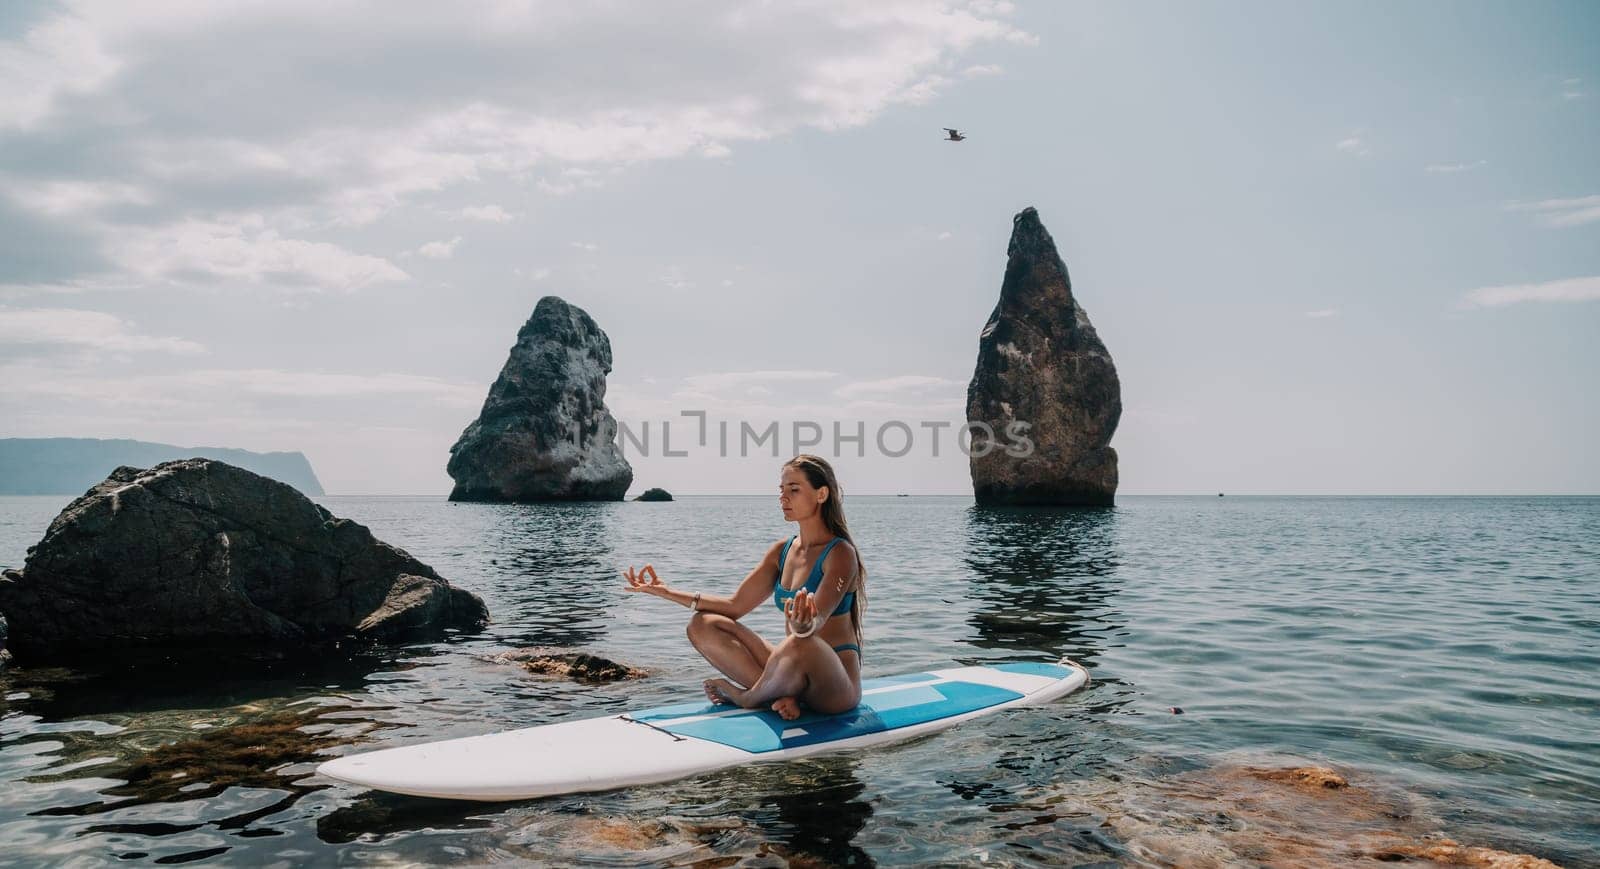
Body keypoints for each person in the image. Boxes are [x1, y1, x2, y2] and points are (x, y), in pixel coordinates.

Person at [622, 454, 866, 721]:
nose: (783, 497)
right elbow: (734, 606)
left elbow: (815, 621)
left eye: (794, 490)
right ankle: (779, 697)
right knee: (703, 624)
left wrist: (804, 624)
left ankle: (747, 697)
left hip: (833, 685)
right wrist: (667, 592)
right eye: (781, 490)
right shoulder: (781, 552)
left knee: (801, 641)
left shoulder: (841, 553)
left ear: (821, 494)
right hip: (791, 669)